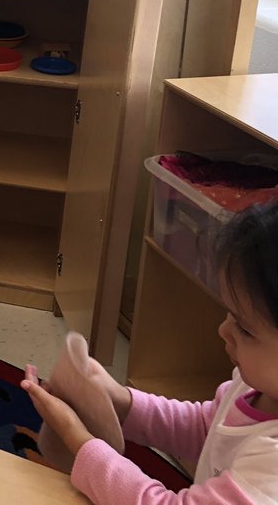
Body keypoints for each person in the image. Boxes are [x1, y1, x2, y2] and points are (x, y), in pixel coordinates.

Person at [23, 201, 278, 503]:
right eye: (230, 314)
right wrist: (118, 399)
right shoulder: (255, 384)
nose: (224, 330)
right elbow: (203, 427)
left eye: (245, 329)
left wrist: (79, 440)